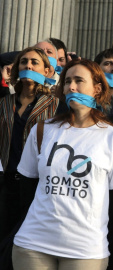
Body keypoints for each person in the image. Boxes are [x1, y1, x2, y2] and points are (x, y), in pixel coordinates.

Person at [11, 58, 113, 270]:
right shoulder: (43, 129)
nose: (71, 86)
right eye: (67, 81)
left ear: (97, 88)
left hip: (85, 250)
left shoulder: (112, 137)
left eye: (78, 81)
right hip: (33, 244)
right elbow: (26, 185)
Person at [0, 47, 67, 241]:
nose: (28, 65)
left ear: (47, 71)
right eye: (24, 62)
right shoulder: (4, 103)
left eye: (34, 62)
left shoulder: (56, 105)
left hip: (37, 185)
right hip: (8, 182)